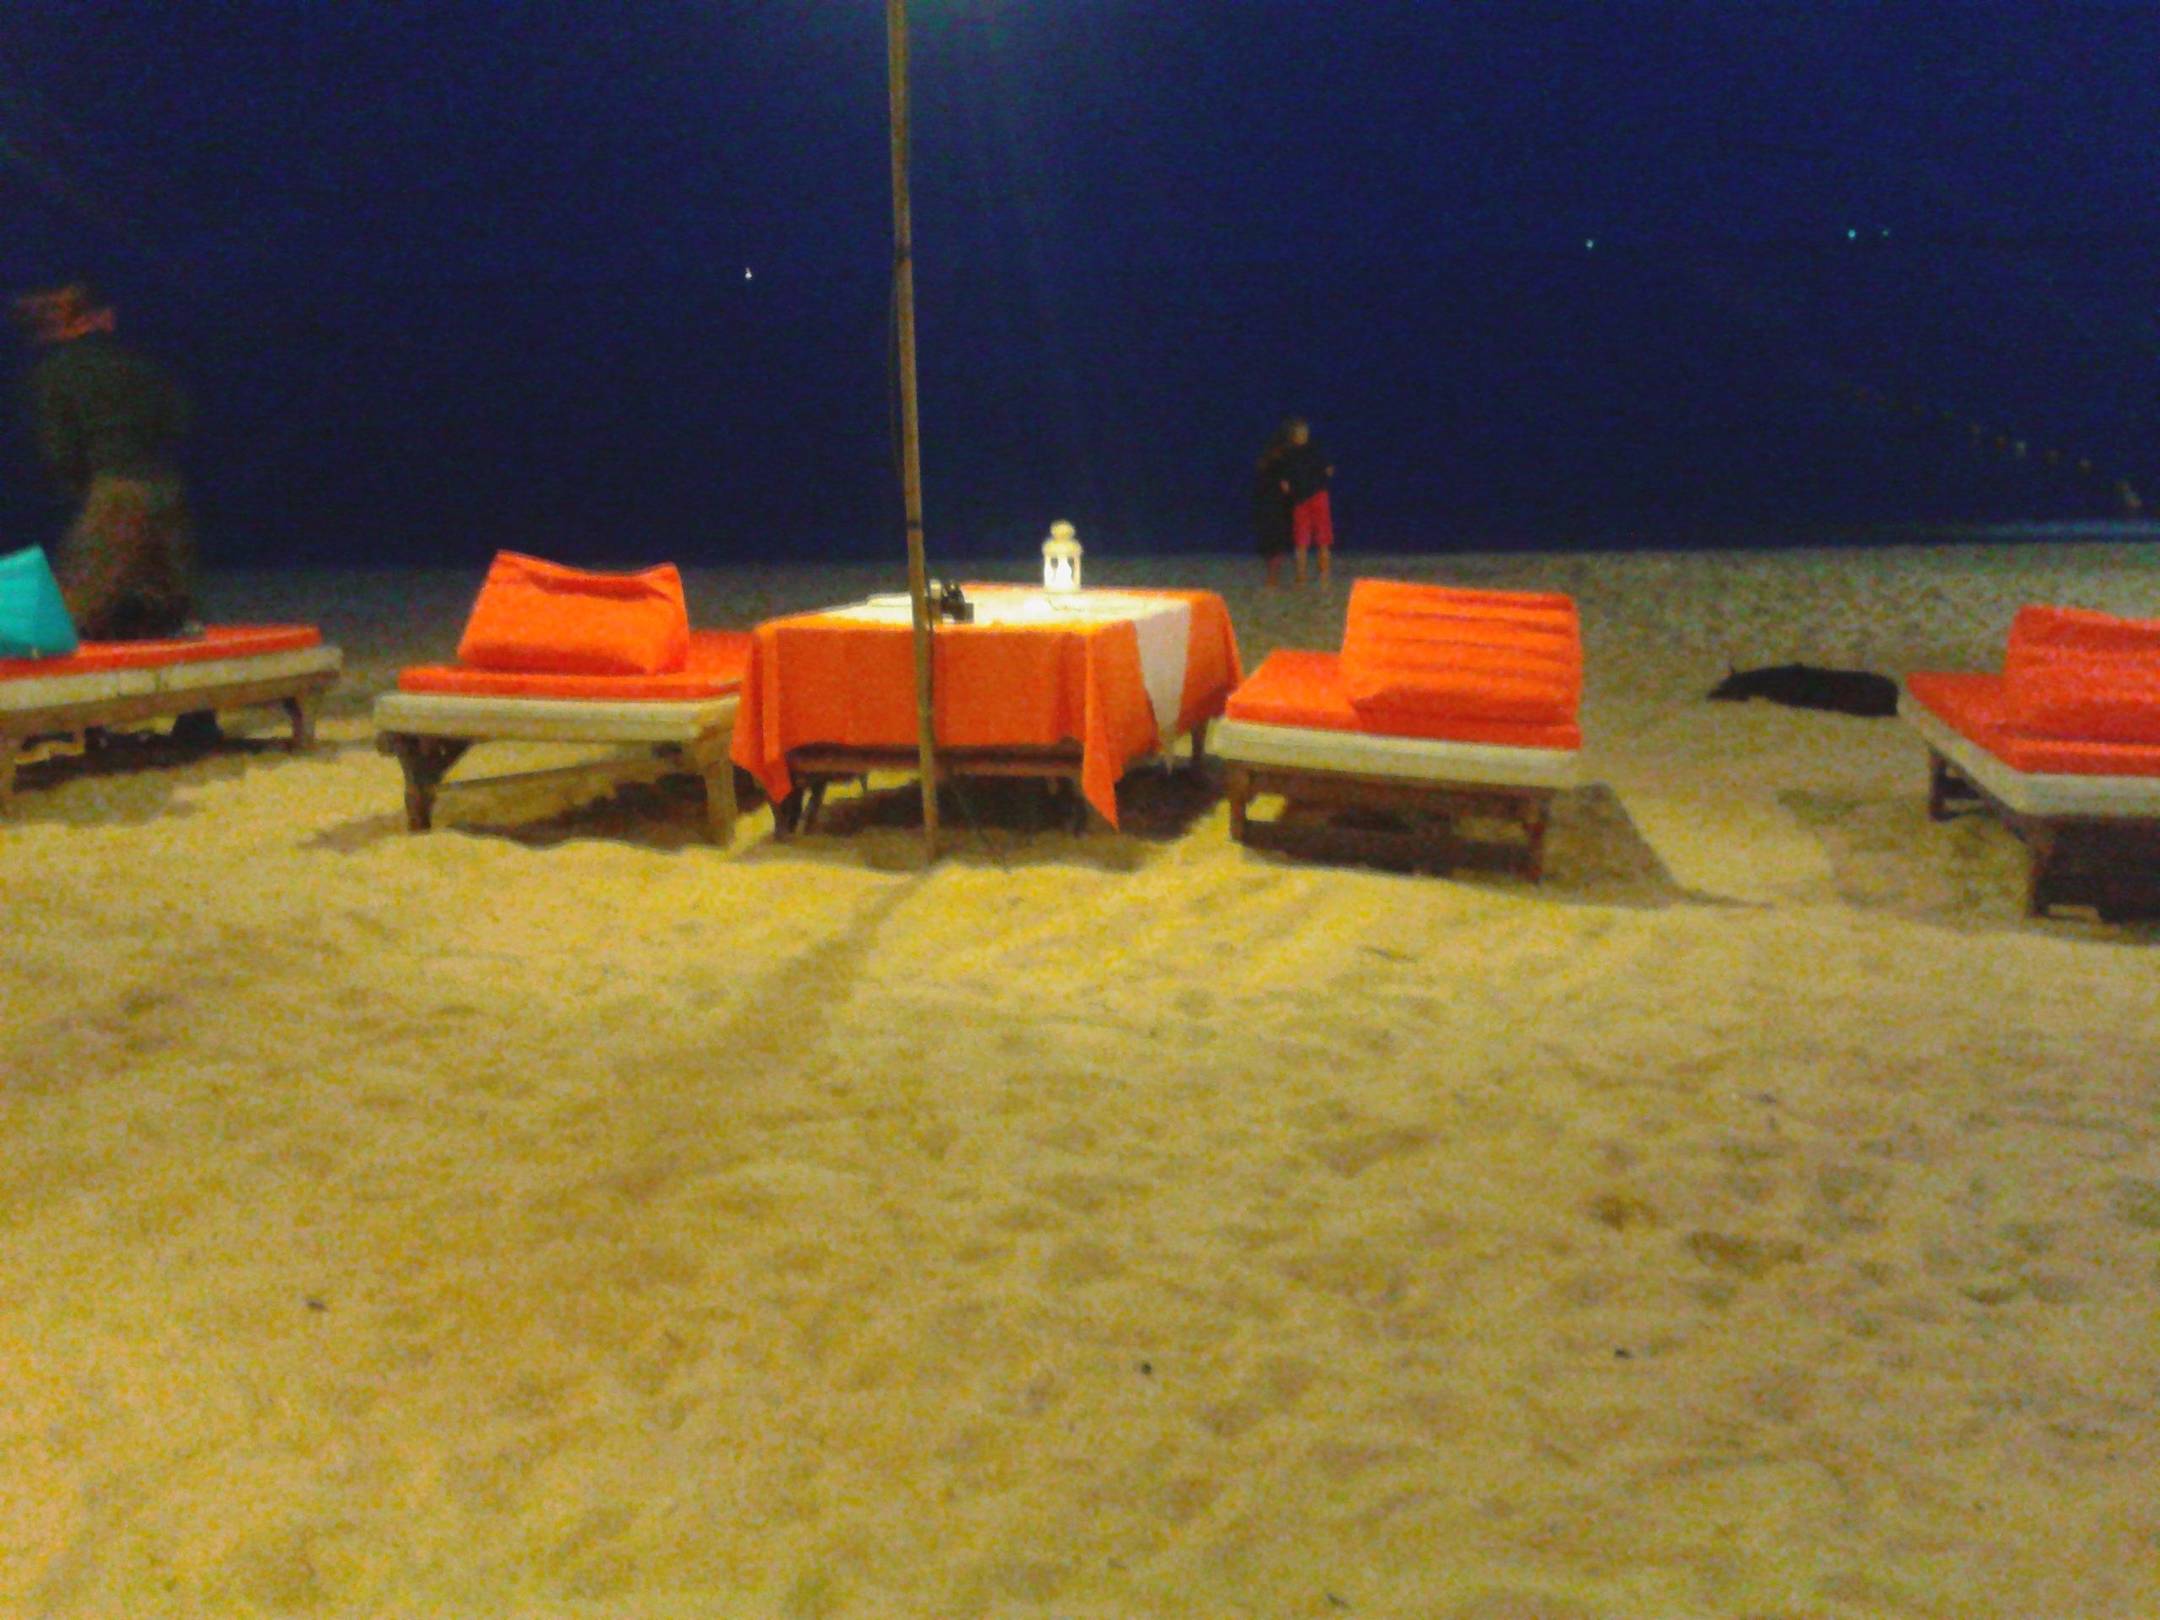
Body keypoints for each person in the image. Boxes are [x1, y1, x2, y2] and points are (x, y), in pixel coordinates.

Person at [17, 281, 198, 641]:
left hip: (115, 486)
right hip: (164, 485)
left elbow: (61, 447)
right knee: (168, 599)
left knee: (80, 597)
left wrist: (80, 489)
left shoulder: (57, 370)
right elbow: (180, 423)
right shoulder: (140, 365)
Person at [1277, 417, 1336, 586]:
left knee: (1323, 539)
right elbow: (1284, 483)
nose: (1302, 435)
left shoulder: (1316, 450)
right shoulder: (1288, 454)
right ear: (1293, 435)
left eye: (1304, 432)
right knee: (1301, 541)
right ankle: (1301, 578)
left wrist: (1317, 484)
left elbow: (1329, 470)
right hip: (1301, 501)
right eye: (1299, 432)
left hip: (1318, 497)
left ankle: (1324, 576)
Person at [1252, 423, 1294, 588]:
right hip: (1278, 505)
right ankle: (1273, 578)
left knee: (1269, 542)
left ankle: (1271, 577)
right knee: (1278, 542)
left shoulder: (1264, 462)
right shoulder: (1282, 462)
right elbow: (1285, 486)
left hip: (1264, 504)